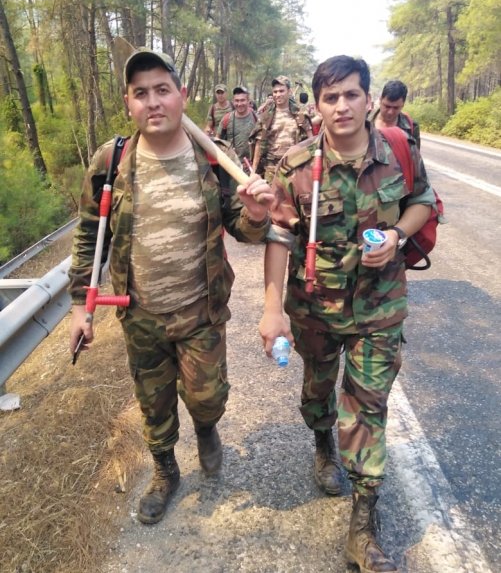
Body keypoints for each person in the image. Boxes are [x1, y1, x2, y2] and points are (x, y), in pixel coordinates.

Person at [68, 48, 274, 526]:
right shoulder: (112, 161)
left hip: (201, 310)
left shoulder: (213, 158)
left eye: (162, 90)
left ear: (182, 95)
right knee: (153, 403)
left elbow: (245, 230)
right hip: (140, 312)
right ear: (128, 102)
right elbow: (88, 235)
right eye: (141, 93)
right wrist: (81, 305)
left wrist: (256, 213)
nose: (153, 101)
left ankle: (206, 427)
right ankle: (165, 471)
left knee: (208, 397)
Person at [259, 55, 435, 572]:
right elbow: (277, 235)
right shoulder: (296, 165)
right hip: (315, 310)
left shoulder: (398, 151)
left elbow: (423, 200)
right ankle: (322, 443)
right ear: (317, 105)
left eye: (351, 94)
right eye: (330, 97)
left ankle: (363, 526)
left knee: (367, 408)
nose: (342, 106)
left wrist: (397, 236)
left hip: (379, 309)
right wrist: (271, 309)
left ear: (368, 99)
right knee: (318, 390)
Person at [250, 75, 312, 184]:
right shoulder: (266, 117)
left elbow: (311, 140)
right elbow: (258, 145)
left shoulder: (300, 115)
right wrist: (253, 171)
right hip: (271, 168)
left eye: (281, 91)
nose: (278, 94)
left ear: (289, 91)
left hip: (294, 166)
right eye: (275, 92)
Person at [370, 79, 421, 149]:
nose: (390, 112)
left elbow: (414, 154)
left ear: (403, 105)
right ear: (380, 100)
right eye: (387, 106)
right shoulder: (364, 119)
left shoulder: (412, 127)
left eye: (396, 108)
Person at [216, 86, 257, 163]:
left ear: (248, 101)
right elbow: (217, 141)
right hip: (232, 164)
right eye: (237, 101)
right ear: (233, 102)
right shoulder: (226, 119)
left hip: (251, 164)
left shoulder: (256, 118)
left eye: (242, 100)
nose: (239, 104)